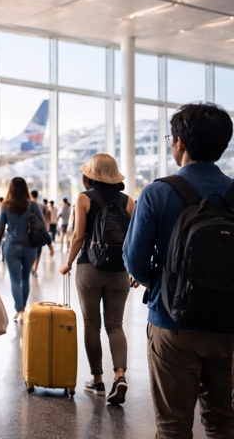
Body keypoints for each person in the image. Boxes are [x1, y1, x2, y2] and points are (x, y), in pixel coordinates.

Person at [123, 102, 234, 436]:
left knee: (172, 426)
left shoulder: (158, 193)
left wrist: (165, 284)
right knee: (223, 422)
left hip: (172, 321)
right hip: (228, 324)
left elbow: (135, 261)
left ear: (180, 143)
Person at [58, 154, 134, 404]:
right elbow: (133, 240)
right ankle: (120, 375)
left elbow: (79, 235)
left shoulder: (84, 198)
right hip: (120, 270)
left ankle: (98, 380)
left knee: (92, 324)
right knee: (116, 325)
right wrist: (134, 270)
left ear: (90, 175)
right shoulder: (128, 201)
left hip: (89, 267)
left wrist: (68, 263)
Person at [0, 178, 54, 322]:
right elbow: (43, 227)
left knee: (15, 280)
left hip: (11, 246)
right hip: (30, 247)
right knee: (25, 278)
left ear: (11, 189)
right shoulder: (33, 205)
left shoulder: (5, 206)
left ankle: (19, 311)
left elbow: (1, 229)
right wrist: (50, 244)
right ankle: (23, 309)